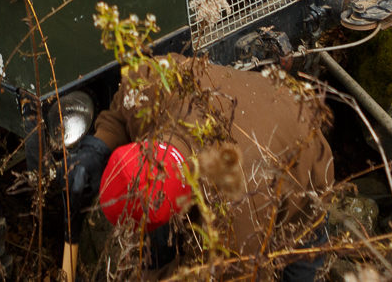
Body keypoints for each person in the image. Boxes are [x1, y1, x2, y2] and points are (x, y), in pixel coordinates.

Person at [64, 55, 332, 281]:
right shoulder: (150, 81)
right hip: (250, 98)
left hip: (302, 165)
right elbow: (122, 111)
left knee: (300, 268)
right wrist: (96, 149)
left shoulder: (236, 215)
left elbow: (231, 273)